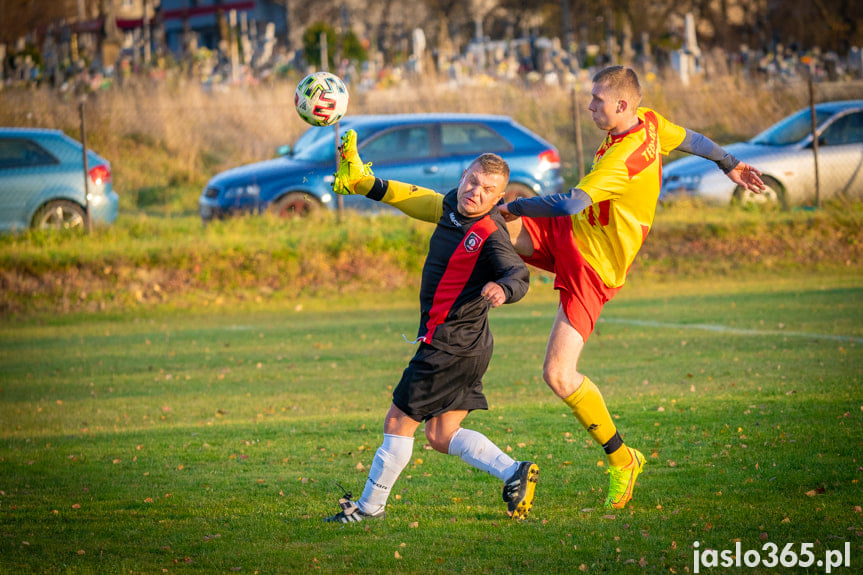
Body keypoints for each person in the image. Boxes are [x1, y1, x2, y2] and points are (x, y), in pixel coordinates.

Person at [499, 65, 765, 510]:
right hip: (573, 238)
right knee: (483, 222)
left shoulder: (625, 157)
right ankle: (385, 194)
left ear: (623, 105)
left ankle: (624, 461)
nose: (589, 107)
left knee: (558, 375)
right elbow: (694, 140)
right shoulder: (653, 123)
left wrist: (518, 204)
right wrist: (730, 163)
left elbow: (569, 203)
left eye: (597, 101)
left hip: (593, 266)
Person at [324, 130, 538, 523]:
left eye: (486, 189)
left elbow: (518, 273)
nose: (475, 191)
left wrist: (504, 288)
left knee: (397, 420)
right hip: (468, 346)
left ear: (497, 199)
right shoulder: (450, 208)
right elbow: (410, 196)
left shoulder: (490, 234)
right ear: (462, 177)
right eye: (472, 180)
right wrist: (363, 182)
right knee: (440, 436)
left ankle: (369, 509)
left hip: (450, 346)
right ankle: (514, 471)